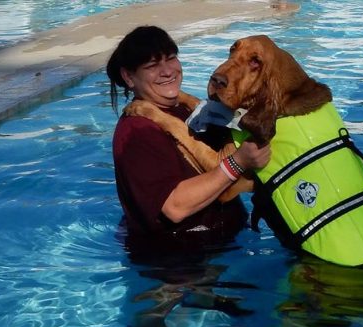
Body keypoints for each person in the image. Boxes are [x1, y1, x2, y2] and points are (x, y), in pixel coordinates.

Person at [106, 26, 271, 254]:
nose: (167, 71)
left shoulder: (181, 109)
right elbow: (174, 206)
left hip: (227, 244)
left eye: (171, 58)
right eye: (153, 66)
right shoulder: (137, 131)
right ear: (128, 76)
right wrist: (239, 162)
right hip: (182, 263)